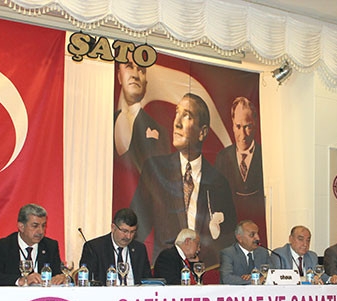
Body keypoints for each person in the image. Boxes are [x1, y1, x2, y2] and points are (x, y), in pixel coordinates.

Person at [131, 92, 237, 266]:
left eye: (187, 116)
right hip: (166, 268)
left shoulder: (219, 182)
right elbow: (137, 228)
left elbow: (228, 239)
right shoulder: (155, 170)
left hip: (205, 270)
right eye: (177, 113)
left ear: (202, 132)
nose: (177, 123)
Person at [0, 204, 64, 286]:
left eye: (43, 226)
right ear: (21, 227)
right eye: (35, 226)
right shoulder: (3, 246)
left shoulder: (50, 246)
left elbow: (60, 273)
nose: (41, 231)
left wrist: (62, 278)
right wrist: (21, 280)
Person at [215, 97, 265, 226]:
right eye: (238, 126)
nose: (242, 135)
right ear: (232, 125)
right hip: (231, 229)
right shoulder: (222, 158)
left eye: (247, 127)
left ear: (255, 124)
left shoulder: (265, 156)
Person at [114, 61, 170, 173]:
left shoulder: (161, 133)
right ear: (119, 76)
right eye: (129, 67)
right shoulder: (106, 122)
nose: (135, 75)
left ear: (146, 84)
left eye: (141, 70)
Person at [79, 208, 152, 285]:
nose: (128, 236)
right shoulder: (94, 248)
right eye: (124, 231)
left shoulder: (140, 249)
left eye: (132, 232)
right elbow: (88, 281)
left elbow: (148, 280)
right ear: (113, 228)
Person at [220, 220, 269, 285]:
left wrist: (260, 278)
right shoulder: (228, 253)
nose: (258, 238)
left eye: (257, 234)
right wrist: (254, 281)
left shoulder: (263, 252)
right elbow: (226, 278)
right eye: (252, 235)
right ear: (239, 238)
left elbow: (271, 274)